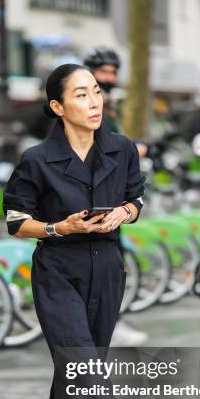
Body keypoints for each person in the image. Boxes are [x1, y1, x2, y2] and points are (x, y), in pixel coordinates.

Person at [2, 63, 145, 399]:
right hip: (58, 271)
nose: (95, 101)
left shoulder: (122, 149)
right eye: (82, 94)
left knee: (80, 370)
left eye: (98, 92)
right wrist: (57, 227)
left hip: (106, 268)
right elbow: (14, 220)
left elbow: (136, 199)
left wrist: (123, 213)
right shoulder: (38, 159)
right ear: (58, 107)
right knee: (87, 369)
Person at [83, 46, 148, 346]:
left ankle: (103, 321)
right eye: (103, 72)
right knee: (106, 260)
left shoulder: (104, 102)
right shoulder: (88, 102)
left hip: (107, 189)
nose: (109, 77)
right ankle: (108, 323)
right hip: (92, 191)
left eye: (112, 72)